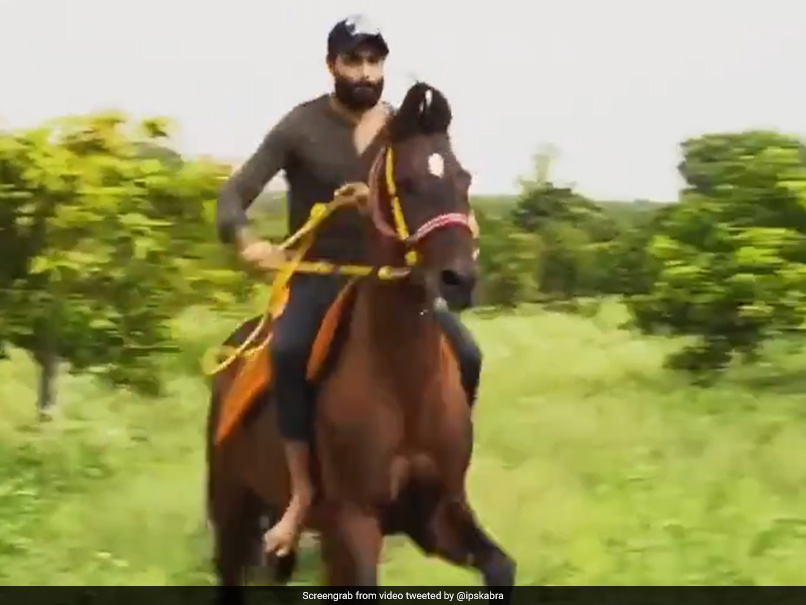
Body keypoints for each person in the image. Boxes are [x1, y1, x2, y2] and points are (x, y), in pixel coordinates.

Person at [215, 14, 484, 558]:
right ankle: (300, 496)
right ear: (332, 65)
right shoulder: (301, 126)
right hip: (322, 278)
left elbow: (442, 191)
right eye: (353, 61)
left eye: (374, 61)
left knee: (468, 353)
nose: (365, 72)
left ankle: (441, 486)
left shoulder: (402, 131)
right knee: (289, 352)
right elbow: (232, 195)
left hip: (391, 282)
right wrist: (248, 243)